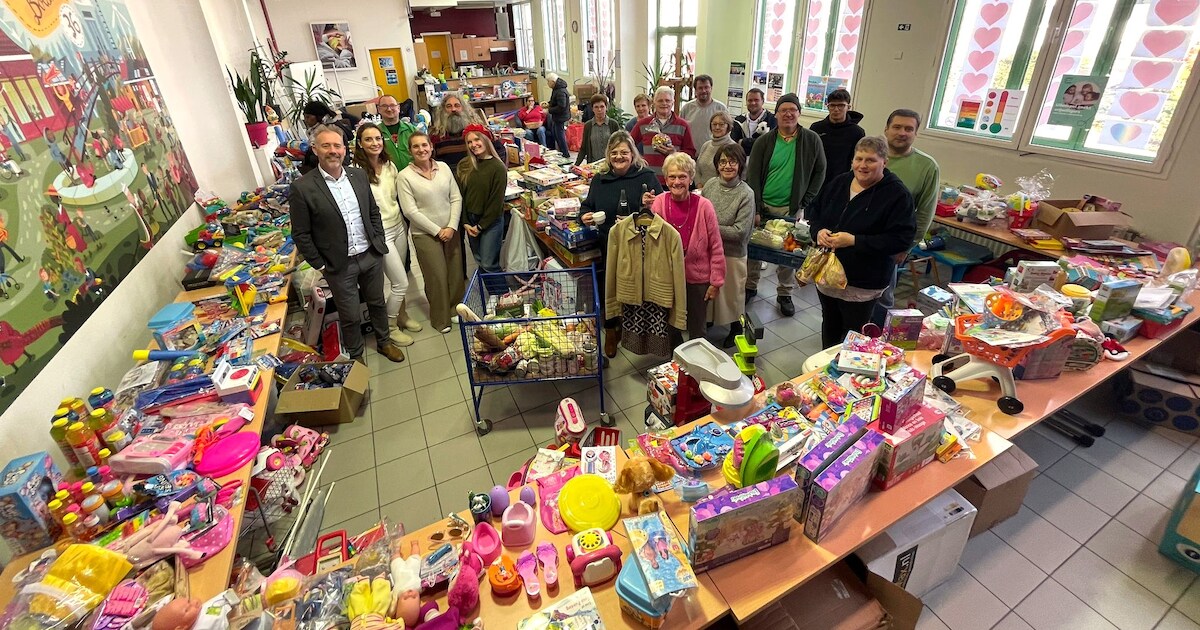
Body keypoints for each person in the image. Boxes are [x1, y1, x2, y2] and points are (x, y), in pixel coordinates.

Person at [290, 125, 406, 363]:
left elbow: (373, 212)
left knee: (377, 303)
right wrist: (320, 264)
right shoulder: (303, 188)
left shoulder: (358, 175)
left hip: (370, 255)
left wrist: (379, 241)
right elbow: (301, 233)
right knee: (350, 314)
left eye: (337, 146)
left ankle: (384, 342)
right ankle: (355, 355)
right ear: (315, 149)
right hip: (338, 264)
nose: (333, 151)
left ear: (345, 149)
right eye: (326, 146)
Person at [808, 136, 915, 348]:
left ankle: (849, 374)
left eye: (870, 160)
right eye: (859, 159)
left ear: (885, 162)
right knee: (829, 324)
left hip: (863, 282)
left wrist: (854, 241)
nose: (862, 165)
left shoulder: (897, 195)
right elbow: (815, 212)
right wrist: (818, 231)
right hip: (828, 276)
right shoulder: (840, 182)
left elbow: (900, 239)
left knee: (853, 334)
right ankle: (825, 367)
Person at [580, 131, 664, 356]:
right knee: (611, 287)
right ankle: (611, 330)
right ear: (608, 155)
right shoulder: (600, 179)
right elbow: (587, 205)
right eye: (614, 153)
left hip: (641, 243)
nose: (619, 157)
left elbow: (662, 206)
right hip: (610, 242)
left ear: (632, 154)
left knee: (637, 288)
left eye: (624, 152)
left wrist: (649, 205)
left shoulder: (645, 176)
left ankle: (634, 332)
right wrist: (585, 215)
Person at [745, 93, 826, 316]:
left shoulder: (811, 140)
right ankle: (750, 287)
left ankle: (785, 293)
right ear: (777, 114)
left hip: (791, 209)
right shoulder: (764, 141)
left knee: (788, 253)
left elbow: (820, 171)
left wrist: (805, 201)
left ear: (799, 113)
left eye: (793, 110)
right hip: (763, 208)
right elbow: (752, 176)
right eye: (783, 110)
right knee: (754, 250)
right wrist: (757, 207)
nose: (788, 114)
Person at [353, 122, 423, 347]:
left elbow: (396, 198)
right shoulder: (355, 170)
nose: (374, 143)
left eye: (377, 138)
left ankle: (402, 316)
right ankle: (390, 327)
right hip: (379, 233)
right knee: (401, 283)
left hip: (398, 226)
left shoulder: (390, 165)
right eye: (368, 139)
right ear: (360, 144)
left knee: (399, 274)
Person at [871, 108, 940, 326]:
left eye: (909, 129)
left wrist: (907, 246)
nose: (902, 133)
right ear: (886, 129)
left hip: (891, 245)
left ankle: (873, 342)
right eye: (897, 127)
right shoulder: (870, 157)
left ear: (916, 133)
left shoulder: (926, 166)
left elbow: (925, 212)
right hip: (856, 239)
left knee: (882, 296)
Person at [649, 152, 725, 341]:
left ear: (691, 178)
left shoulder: (704, 206)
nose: (677, 182)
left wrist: (716, 282)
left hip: (698, 279)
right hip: (668, 277)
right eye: (672, 177)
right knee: (670, 324)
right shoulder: (659, 202)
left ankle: (696, 364)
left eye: (682, 176)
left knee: (697, 326)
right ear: (665, 179)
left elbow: (716, 246)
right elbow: (652, 245)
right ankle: (674, 362)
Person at [397, 132, 465, 334]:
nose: (421, 149)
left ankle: (455, 310)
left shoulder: (443, 168)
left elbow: (456, 197)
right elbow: (410, 211)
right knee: (436, 276)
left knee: (455, 273)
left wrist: (452, 226)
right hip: (425, 235)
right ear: (410, 151)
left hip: (451, 230)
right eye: (416, 146)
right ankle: (440, 318)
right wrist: (437, 231)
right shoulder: (404, 176)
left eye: (424, 145)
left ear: (431, 147)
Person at [700, 143, 755, 348]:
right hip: (708, 251)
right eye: (722, 162)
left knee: (731, 295)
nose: (727, 166)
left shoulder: (746, 194)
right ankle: (708, 322)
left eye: (732, 162)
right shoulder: (711, 185)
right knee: (710, 291)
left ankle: (735, 328)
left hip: (732, 253)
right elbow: (699, 214)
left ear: (740, 164)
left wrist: (710, 227)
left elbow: (740, 232)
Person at [455, 125, 508, 296]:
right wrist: (465, 222)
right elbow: (461, 196)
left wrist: (480, 227)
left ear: (485, 139)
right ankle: (494, 296)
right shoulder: (465, 165)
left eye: (477, 139)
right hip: (470, 220)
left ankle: (504, 298)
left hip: (490, 222)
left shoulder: (497, 167)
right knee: (480, 261)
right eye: (469, 142)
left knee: (488, 263)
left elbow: (495, 203)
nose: (473, 144)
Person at [631, 86, 697, 184]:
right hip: (649, 179)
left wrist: (675, 153)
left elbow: (691, 152)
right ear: (654, 102)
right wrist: (638, 161)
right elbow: (629, 144)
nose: (664, 103)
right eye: (660, 100)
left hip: (675, 181)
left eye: (667, 100)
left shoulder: (683, 125)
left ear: (672, 102)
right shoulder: (643, 124)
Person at [810, 88, 865, 187]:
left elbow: (858, 161)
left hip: (840, 183)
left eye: (841, 105)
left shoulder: (857, 132)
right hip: (815, 180)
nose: (836, 109)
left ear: (848, 107)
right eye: (832, 105)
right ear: (828, 107)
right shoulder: (816, 128)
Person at [429, 92, 478, 170]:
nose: (453, 109)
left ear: (463, 108)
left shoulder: (476, 131)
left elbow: (497, 150)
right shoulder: (435, 136)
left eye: (457, 105)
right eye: (449, 106)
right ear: (443, 110)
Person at [300, 101, 354, 173]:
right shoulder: (316, 130)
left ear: (318, 116)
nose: (306, 120)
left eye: (308, 117)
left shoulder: (330, 131)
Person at [680, 74, 727, 147]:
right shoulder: (687, 108)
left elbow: (727, 133)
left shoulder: (721, 108)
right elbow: (680, 131)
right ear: (695, 90)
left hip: (713, 153)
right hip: (690, 154)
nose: (704, 91)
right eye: (700, 88)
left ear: (711, 88)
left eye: (706, 87)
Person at [576, 94, 621, 165]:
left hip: (611, 164)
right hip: (593, 166)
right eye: (596, 107)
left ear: (606, 107)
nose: (599, 110)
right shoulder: (588, 125)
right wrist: (576, 165)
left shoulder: (613, 124)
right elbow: (583, 148)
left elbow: (619, 145)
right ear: (592, 109)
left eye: (602, 107)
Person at [376, 95, 417, 169]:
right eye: (384, 106)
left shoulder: (412, 130)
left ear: (398, 108)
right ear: (379, 109)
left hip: (412, 174)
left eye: (392, 105)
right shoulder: (376, 132)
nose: (389, 109)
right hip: (389, 176)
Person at [695, 111, 735, 188]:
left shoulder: (733, 147)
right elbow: (697, 169)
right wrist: (699, 185)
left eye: (721, 124)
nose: (717, 127)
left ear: (728, 127)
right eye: (714, 124)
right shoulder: (706, 145)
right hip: (701, 190)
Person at [730, 88, 776, 155]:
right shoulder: (739, 120)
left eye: (756, 100)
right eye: (750, 100)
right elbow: (733, 143)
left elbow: (769, 143)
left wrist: (742, 142)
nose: (753, 103)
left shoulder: (772, 119)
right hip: (742, 161)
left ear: (762, 101)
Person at [545, 73, 571, 154]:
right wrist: (548, 104)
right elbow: (555, 100)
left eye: (548, 82)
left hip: (561, 117)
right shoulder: (556, 88)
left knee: (560, 137)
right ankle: (562, 152)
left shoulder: (560, 91)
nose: (547, 84)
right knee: (556, 134)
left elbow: (561, 106)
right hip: (557, 117)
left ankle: (565, 154)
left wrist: (549, 110)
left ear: (553, 82)